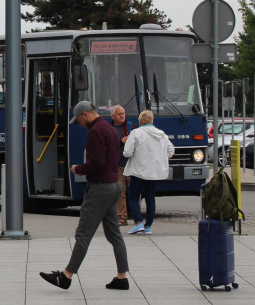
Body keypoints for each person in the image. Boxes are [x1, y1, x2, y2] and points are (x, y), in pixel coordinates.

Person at [40, 101, 128, 291]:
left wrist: (77, 169)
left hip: (99, 188)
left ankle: (66, 277)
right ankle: (122, 277)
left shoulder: (96, 132)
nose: (80, 124)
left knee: (83, 234)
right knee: (114, 234)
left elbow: (96, 162)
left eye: (79, 120)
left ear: (86, 115)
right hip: (114, 186)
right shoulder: (112, 130)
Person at [124, 110, 175, 235]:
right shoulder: (162, 134)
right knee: (150, 198)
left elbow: (127, 153)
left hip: (138, 171)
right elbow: (171, 150)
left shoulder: (136, 133)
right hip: (154, 171)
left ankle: (138, 222)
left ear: (140, 121)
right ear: (152, 120)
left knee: (133, 197)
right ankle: (148, 226)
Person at [110, 106, 135, 226]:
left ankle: (136, 216)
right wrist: (121, 141)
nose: (122, 116)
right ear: (113, 116)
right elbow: (107, 145)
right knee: (120, 192)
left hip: (132, 164)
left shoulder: (131, 127)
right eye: (119, 114)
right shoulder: (110, 129)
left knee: (135, 191)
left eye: (123, 113)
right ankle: (122, 217)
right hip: (118, 165)